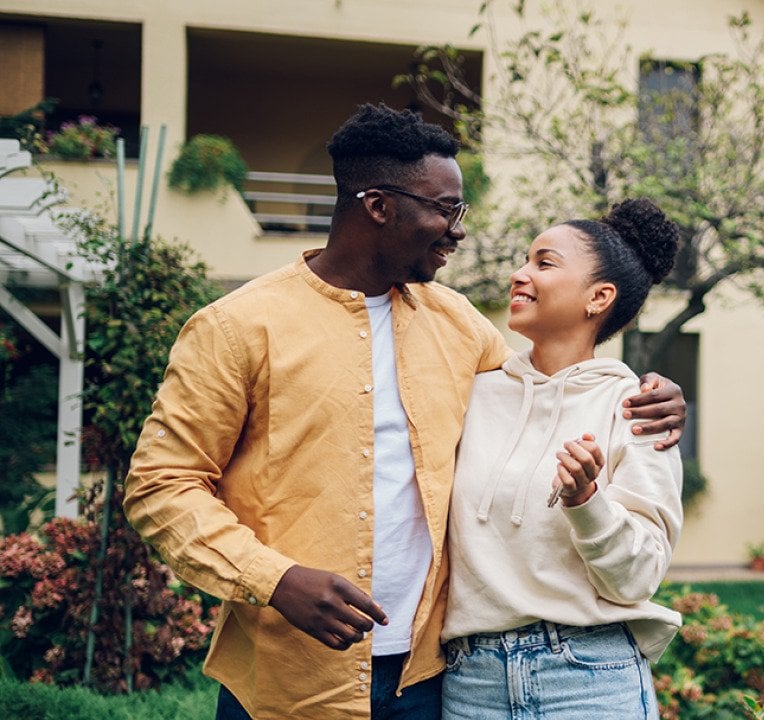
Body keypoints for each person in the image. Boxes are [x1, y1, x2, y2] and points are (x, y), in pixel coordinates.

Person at [122, 104, 684, 720]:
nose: (458, 230)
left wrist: (652, 394)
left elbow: (548, 387)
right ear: (379, 206)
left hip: (432, 680)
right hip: (290, 677)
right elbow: (161, 486)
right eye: (444, 210)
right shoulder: (236, 327)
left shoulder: (461, 326)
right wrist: (275, 580)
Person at [440, 198, 683, 719]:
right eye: (525, 260)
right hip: (471, 682)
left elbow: (639, 578)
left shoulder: (636, 409)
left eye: (543, 263)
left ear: (598, 297)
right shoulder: (473, 394)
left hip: (589, 679)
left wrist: (587, 501)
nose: (519, 274)